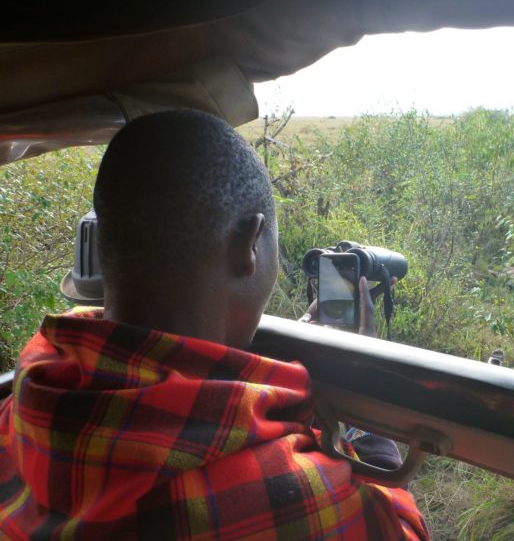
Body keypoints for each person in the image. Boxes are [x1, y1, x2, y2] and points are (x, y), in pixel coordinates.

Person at [0, 109, 429, 540]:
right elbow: (403, 528)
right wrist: (363, 425)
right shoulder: (284, 498)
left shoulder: (25, 400)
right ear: (250, 246)